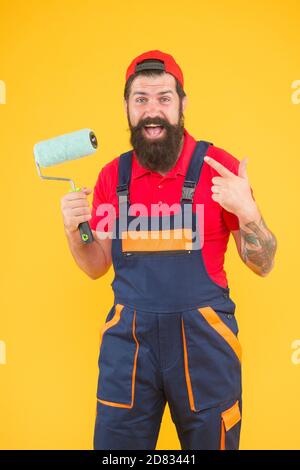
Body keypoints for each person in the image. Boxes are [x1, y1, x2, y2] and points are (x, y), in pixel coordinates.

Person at [60, 50, 277, 450]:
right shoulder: (113, 176)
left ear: (182, 104)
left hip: (205, 347)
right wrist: (77, 232)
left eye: (163, 98)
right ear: (127, 107)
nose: (152, 110)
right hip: (129, 349)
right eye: (141, 99)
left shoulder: (218, 166)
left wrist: (247, 211)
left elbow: (263, 264)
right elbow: (96, 266)